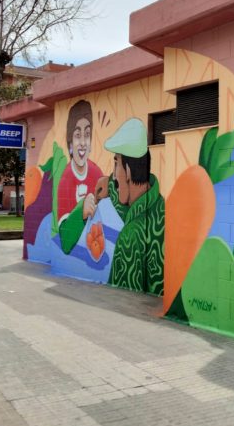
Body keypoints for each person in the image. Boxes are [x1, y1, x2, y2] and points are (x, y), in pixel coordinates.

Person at [91, 118, 165, 296]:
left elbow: (119, 294)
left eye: (116, 163)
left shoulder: (129, 237)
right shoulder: (158, 205)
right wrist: (109, 185)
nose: (115, 176)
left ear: (129, 171)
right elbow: (129, 209)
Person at [57, 100, 103, 253]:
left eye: (87, 134)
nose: (83, 142)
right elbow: (65, 241)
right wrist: (81, 212)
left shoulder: (97, 173)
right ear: (70, 141)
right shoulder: (65, 178)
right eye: (78, 135)